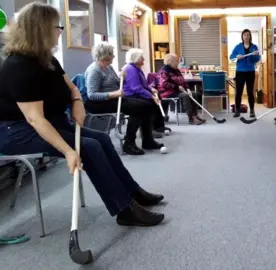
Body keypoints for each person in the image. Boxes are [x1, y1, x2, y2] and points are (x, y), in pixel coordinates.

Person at [0, 3, 165, 227]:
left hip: (55, 123)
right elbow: (34, 118)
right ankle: (124, 209)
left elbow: (72, 88)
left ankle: (133, 191)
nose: (60, 31)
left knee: (103, 139)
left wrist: (77, 102)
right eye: (57, 27)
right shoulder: (18, 66)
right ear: (41, 29)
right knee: (90, 147)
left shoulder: (48, 59)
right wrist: (68, 151)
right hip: (19, 132)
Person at [84, 42, 162, 155]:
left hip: (114, 98)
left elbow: (117, 82)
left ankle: (147, 140)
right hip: (98, 103)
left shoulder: (108, 67)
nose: (114, 56)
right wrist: (114, 94)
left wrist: (121, 78)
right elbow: (92, 95)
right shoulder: (94, 70)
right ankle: (129, 143)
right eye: (112, 54)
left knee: (147, 105)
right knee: (138, 108)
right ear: (106, 55)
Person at [122, 48, 172, 135]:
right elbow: (136, 88)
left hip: (136, 93)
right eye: (141, 57)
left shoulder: (137, 68)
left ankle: (159, 126)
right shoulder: (130, 69)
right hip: (131, 95)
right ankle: (149, 131)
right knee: (150, 102)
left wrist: (151, 89)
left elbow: (143, 85)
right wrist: (151, 96)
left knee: (158, 96)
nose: (143, 59)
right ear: (136, 58)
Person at [154, 53, 205, 125]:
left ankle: (195, 115)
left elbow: (183, 81)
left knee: (194, 93)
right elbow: (164, 84)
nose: (178, 62)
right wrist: (176, 87)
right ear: (170, 61)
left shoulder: (176, 70)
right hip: (168, 92)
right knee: (185, 95)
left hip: (177, 91)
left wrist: (187, 88)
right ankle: (191, 118)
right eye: (176, 61)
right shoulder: (164, 71)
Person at [229, 29, 261, 118]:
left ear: (250, 36)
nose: (246, 37)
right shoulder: (238, 47)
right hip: (240, 72)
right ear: (242, 37)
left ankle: (252, 110)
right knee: (238, 92)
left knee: (250, 92)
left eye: (248, 35)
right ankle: (237, 110)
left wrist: (255, 55)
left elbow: (257, 59)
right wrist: (237, 56)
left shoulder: (254, 47)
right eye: (244, 35)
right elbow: (231, 57)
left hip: (250, 72)